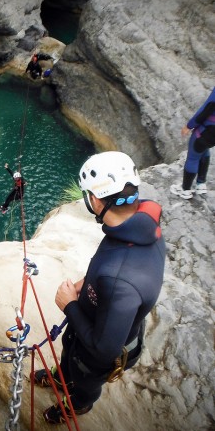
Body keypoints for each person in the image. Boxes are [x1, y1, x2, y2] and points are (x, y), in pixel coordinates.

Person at [33, 151, 166, 424]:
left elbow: (103, 350)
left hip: (100, 346)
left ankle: (78, 405)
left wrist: (68, 304)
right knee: (71, 351)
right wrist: (89, 283)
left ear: (94, 199)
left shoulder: (121, 280)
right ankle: (61, 378)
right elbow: (112, 268)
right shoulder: (138, 226)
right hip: (99, 315)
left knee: (85, 377)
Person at [170, 87, 215, 199]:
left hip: (207, 129)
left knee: (193, 157)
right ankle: (201, 184)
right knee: (204, 150)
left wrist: (189, 125)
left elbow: (207, 108)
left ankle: (185, 190)